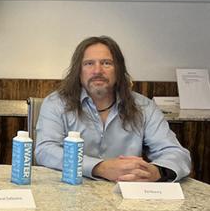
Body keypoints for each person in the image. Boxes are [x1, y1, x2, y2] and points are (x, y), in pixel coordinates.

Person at [35, 36, 191, 182]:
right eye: (89, 63)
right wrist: (99, 168)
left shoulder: (144, 107)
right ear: (78, 71)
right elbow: (45, 151)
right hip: (71, 189)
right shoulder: (56, 103)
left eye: (106, 63)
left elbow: (177, 153)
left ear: (119, 70)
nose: (97, 71)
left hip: (126, 193)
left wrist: (156, 172)